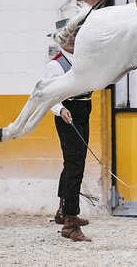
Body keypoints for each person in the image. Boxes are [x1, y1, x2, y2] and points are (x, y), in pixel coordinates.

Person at [47, 18, 92, 242]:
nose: (72, 39)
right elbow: (49, 95)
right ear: (60, 40)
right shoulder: (55, 65)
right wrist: (60, 109)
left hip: (84, 111)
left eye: (75, 34)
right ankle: (70, 222)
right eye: (68, 35)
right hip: (68, 114)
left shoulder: (85, 60)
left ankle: (62, 209)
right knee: (75, 167)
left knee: (75, 163)